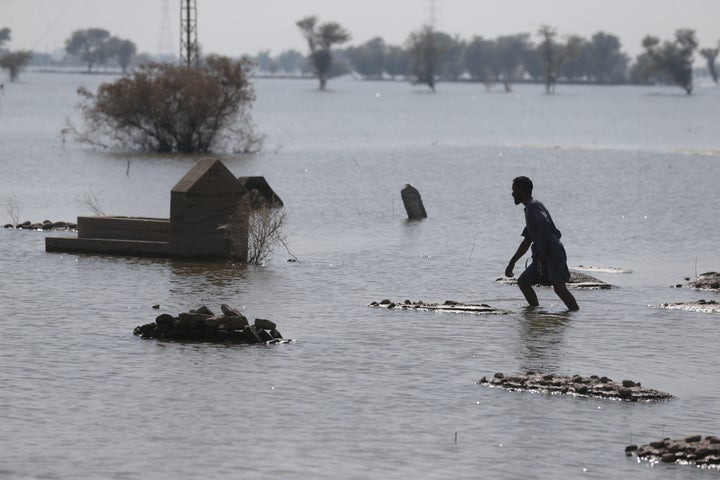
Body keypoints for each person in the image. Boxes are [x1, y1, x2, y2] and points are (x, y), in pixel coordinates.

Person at [505, 176, 579, 311]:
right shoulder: (529, 209)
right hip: (541, 253)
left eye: (514, 190)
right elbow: (527, 241)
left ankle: (575, 313)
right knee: (523, 282)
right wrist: (512, 262)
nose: (512, 193)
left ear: (520, 191)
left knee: (559, 288)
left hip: (552, 252)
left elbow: (544, 225)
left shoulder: (534, 206)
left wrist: (543, 252)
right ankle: (535, 313)